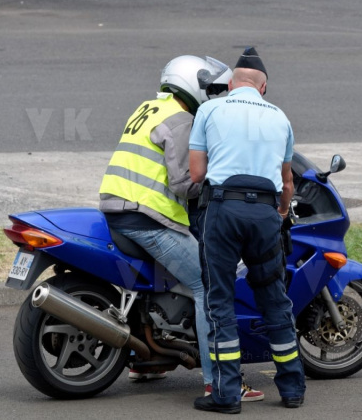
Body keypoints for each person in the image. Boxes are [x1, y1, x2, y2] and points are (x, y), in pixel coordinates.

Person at [98, 55, 264, 402]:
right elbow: (183, 183)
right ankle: (218, 380)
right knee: (207, 285)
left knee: (163, 285)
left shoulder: (149, 108)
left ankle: (148, 361)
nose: (214, 95)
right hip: (147, 217)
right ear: (195, 85)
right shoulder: (181, 120)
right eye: (212, 88)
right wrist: (221, 187)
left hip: (119, 209)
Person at [189, 47, 305, 414]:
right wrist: (280, 212)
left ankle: (225, 394)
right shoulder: (280, 118)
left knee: (219, 301)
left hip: (223, 210)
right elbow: (287, 183)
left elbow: (195, 174)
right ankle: (292, 389)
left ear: (230, 82)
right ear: (263, 86)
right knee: (274, 300)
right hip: (265, 214)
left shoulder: (210, 109)